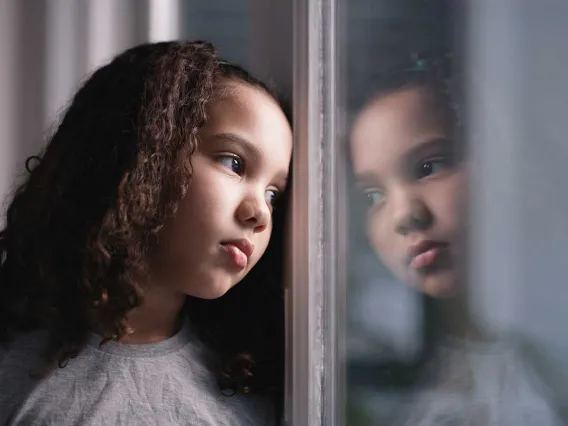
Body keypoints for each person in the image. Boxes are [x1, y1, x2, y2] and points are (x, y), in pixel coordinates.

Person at [0, 40, 292, 426]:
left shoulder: (253, 388)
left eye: (273, 194)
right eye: (233, 162)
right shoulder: (12, 372)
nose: (260, 213)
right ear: (141, 157)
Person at [349, 51, 563, 425]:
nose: (404, 215)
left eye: (431, 166)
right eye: (373, 196)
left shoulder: (547, 357)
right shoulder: (386, 374)